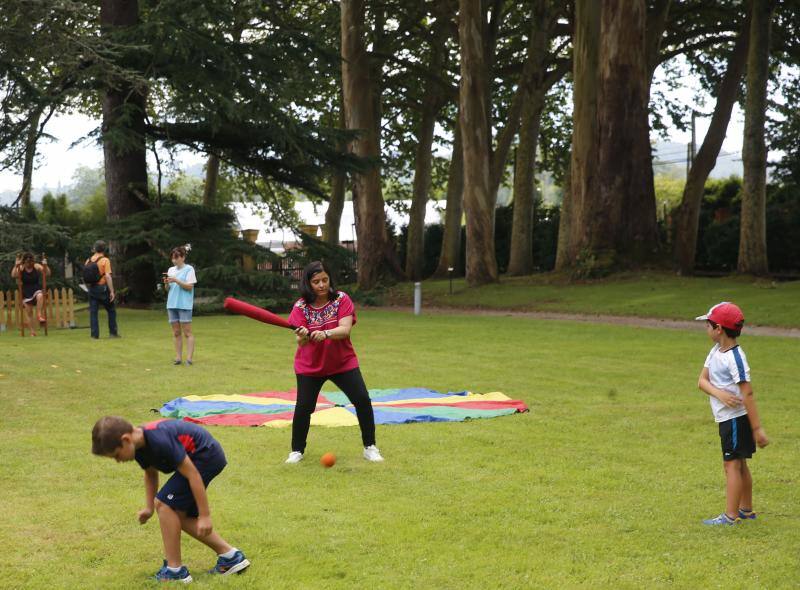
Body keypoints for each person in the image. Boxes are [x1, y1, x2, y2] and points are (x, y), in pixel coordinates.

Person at [91, 416, 251, 582]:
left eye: (116, 455)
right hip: (199, 458)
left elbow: (193, 475)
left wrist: (205, 515)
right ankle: (231, 557)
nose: (118, 461)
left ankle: (175, 571)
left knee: (165, 505)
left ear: (126, 439)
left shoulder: (159, 440)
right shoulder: (139, 445)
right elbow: (150, 473)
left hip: (205, 456)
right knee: (175, 516)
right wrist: (148, 508)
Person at [285, 260, 384, 464]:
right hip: (310, 366)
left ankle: (370, 447)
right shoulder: (300, 306)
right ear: (308, 283)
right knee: (304, 407)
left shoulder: (341, 299)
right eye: (316, 281)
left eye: (324, 280)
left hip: (342, 363)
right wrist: (303, 334)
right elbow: (300, 341)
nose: (321, 285)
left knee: (362, 400)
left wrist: (326, 333)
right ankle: (296, 451)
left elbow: (345, 329)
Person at [694, 302, 769, 526]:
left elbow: (748, 393)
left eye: (708, 325)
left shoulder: (735, 358)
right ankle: (746, 509)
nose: (706, 329)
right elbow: (701, 381)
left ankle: (730, 516)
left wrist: (757, 428)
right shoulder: (715, 351)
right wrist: (720, 394)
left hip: (735, 418)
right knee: (740, 463)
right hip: (726, 417)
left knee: (732, 465)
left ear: (719, 329)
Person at [164, 246, 197, 365]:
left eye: (176, 258)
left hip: (184, 304)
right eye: (172, 258)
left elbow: (189, 287)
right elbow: (168, 289)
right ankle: (178, 358)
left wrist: (176, 280)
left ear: (183, 257)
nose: (174, 260)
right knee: (176, 332)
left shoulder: (189, 269)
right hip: (172, 304)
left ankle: (189, 359)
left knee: (187, 332)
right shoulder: (171, 270)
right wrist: (167, 284)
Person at [84, 240, 119, 339]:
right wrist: (112, 291)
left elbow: (85, 275)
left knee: (93, 312)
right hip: (102, 289)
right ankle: (113, 333)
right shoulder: (105, 260)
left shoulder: (88, 260)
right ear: (104, 249)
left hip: (92, 289)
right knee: (111, 310)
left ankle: (94, 335)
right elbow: (108, 276)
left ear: (95, 248)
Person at [11, 252, 50, 336]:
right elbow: (14, 275)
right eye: (27, 262)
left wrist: (45, 265)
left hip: (36, 288)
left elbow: (47, 273)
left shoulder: (36, 266)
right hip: (26, 291)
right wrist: (16, 265)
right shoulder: (21, 267)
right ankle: (32, 332)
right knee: (29, 312)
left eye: (31, 262)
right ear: (24, 261)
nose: (29, 264)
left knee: (40, 295)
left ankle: (39, 314)